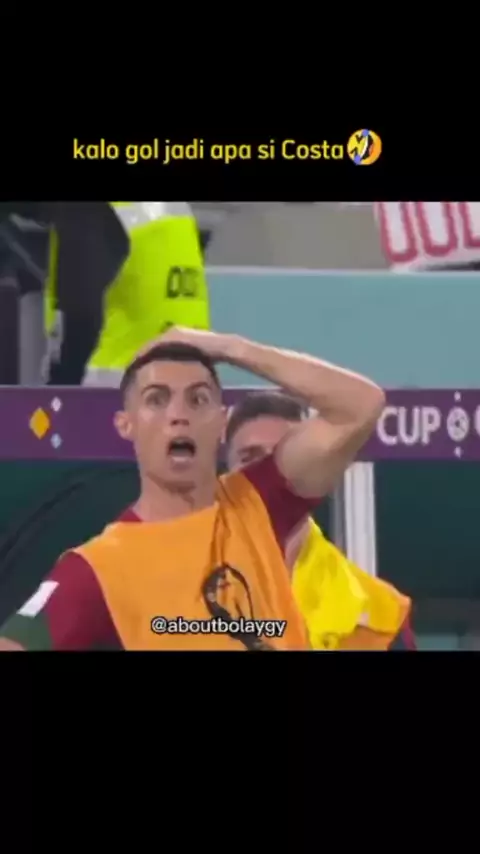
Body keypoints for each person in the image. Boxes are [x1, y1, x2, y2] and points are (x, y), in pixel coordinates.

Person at [0, 327, 384, 651]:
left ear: (221, 423)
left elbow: (360, 406)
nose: (178, 414)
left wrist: (231, 348)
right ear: (126, 424)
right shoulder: (99, 567)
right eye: (156, 399)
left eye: (197, 399)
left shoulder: (258, 502)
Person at [225, 391, 415, 651]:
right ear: (226, 476)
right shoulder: (180, 584)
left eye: (288, 459)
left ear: (317, 472)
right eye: (250, 458)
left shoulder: (382, 615)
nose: (269, 474)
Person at [44, 202, 210, 387]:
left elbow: (81, 312)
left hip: (113, 386)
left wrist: (62, 382)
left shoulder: (86, 209)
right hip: (188, 381)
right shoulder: (169, 209)